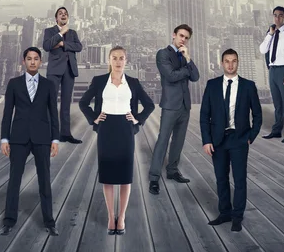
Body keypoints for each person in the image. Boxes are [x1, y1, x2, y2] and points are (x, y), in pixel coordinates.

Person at [79, 46, 154, 235]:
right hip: (106, 128)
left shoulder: (134, 83)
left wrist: (137, 119)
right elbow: (83, 102)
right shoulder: (99, 81)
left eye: (121, 58)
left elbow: (150, 105)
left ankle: (121, 217)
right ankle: (109, 215)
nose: (118, 61)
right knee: (108, 175)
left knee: (125, 175)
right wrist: (93, 119)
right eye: (114, 58)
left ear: (126, 61)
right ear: (109, 60)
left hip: (125, 128)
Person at [200, 49, 262, 232]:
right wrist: (206, 140)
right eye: (227, 61)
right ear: (221, 63)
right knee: (221, 179)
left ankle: (237, 217)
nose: (230, 65)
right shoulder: (212, 85)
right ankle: (224, 213)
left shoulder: (248, 86)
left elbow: (257, 115)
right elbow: (204, 115)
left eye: (233, 61)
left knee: (240, 180)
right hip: (217, 140)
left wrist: (250, 137)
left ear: (238, 62)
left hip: (239, 139)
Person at [0, 47, 60, 236]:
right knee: (14, 181)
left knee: (44, 181)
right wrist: (4, 138)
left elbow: (53, 114)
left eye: (36, 59)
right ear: (23, 61)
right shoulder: (14, 83)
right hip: (18, 137)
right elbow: (7, 113)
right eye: (29, 58)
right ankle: (9, 221)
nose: (32, 62)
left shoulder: (49, 85)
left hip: (42, 137)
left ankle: (49, 222)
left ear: (40, 62)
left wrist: (55, 139)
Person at [148, 24, 200, 195]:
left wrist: (189, 58)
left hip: (185, 105)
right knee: (163, 140)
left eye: (186, 37)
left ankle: (172, 171)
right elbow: (170, 76)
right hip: (170, 105)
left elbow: (196, 77)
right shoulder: (163, 53)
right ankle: (154, 178)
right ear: (173, 35)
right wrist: (186, 68)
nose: (183, 39)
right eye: (181, 36)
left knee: (178, 141)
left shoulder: (184, 55)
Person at [259, 6, 284, 143]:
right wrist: (270, 34)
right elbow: (262, 50)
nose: (277, 18)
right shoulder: (270, 33)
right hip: (273, 70)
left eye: (280, 15)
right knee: (277, 103)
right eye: (275, 15)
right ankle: (276, 131)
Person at [43, 6, 83, 144]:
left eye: (65, 13)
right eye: (60, 13)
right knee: (51, 103)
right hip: (54, 70)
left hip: (69, 70)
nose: (63, 15)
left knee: (66, 104)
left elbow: (79, 47)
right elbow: (47, 46)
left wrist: (62, 44)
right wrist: (60, 35)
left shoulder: (73, 32)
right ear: (56, 18)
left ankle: (65, 134)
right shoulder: (49, 31)